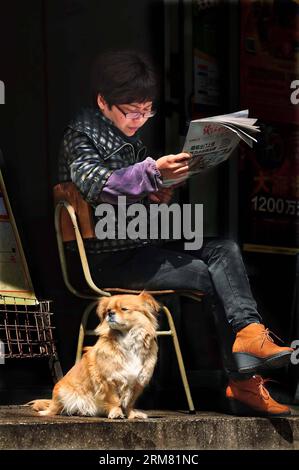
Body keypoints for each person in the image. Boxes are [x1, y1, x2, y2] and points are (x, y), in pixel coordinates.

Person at [59, 49, 293, 416]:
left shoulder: (127, 137)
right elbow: (98, 185)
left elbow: (130, 195)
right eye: (132, 111)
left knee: (223, 249)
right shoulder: (81, 137)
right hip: (106, 258)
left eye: (146, 110)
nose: (140, 119)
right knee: (209, 274)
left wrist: (157, 192)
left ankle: (250, 332)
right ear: (103, 101)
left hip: (138, 244)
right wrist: (151, 173)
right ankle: (244, 381)